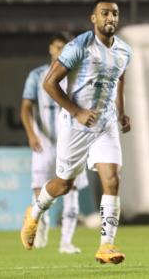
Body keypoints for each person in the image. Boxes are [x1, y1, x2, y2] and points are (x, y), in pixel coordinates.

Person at [20, 0, 133, 265]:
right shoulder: (79, 46)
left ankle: (106, 245)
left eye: (115, 14)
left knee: (112, 179)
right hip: (75, 125)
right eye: (105, 13)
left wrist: (121, 111)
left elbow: (119, 78)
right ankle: (34, 212)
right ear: (93, 19)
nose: (111, 18)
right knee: (64, 184)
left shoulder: (125, 51)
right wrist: (77, 111)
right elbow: (49, 83)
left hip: (105, 124)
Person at [21, 32, 90, 254]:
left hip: (71, 141)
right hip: (44, 143)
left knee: (72, 191)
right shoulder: (37, 76)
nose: (61, 52)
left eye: (65, 48)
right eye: (58, 47)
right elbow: (25, 108)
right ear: (51, 48)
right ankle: (40, 227)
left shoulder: (77, 77)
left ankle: (66, 242)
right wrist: (31, 134)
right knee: (39, 189)